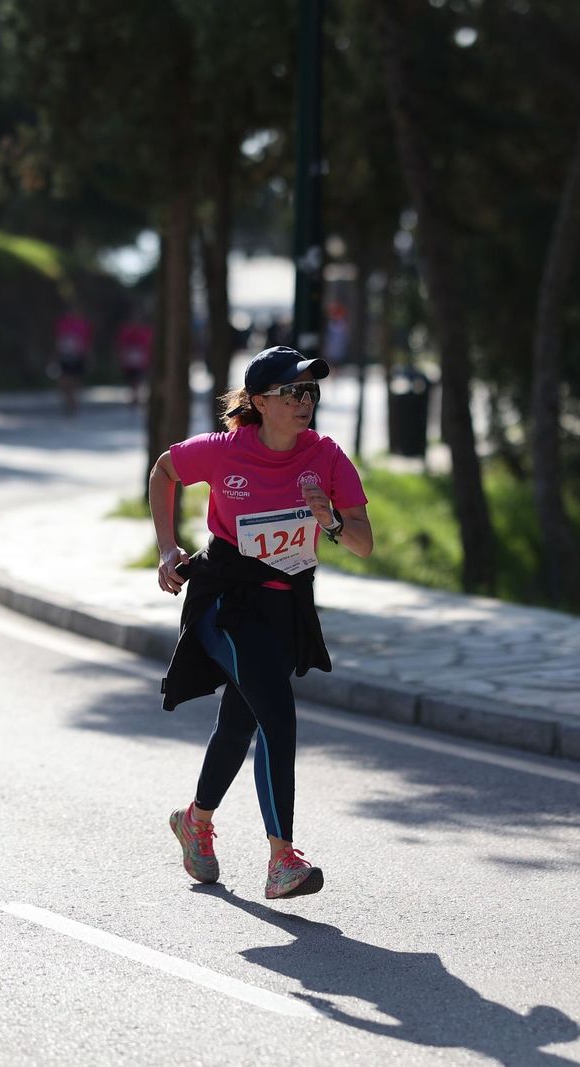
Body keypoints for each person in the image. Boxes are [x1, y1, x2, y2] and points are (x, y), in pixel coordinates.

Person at [148, 346, 374, 900]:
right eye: (291, 393)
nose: (305, 403)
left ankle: (194, 822)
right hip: (226, 601)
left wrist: (332, 521)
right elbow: (164, 470)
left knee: (240, 723)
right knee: (277, 715)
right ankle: (282, 860)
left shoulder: (326, 457)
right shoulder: (225, 451)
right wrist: (166, 547)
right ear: (256, 402)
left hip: (284, 607)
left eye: (311, 393)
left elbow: (365, 544)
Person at [53, 305, 92, 415]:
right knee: (64, 381)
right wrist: (55, 356)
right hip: (65, 356)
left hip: (78, 356)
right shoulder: (62, 324)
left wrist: (88, 357)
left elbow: (87, 343)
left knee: (75, 381)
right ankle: (69, 402)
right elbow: (58, 341)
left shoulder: (83, 324)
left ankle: (73, 403)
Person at [115, 315, 153, 408]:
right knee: (132, 378)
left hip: (140, 359)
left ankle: (136, 397)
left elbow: (148, 345)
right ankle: (134, 397)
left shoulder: (144, 332)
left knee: (138, 378)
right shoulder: (127, 331)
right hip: (129, 359)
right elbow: (122, 345)